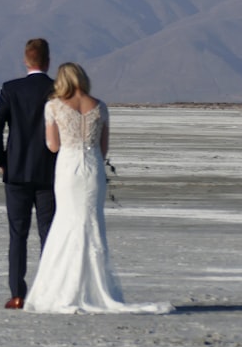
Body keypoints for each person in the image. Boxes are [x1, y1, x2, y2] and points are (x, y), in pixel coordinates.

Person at [24, 62, 172, 314]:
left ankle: (63, 288)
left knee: (67, 221)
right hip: (93, 169)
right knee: (91, 223)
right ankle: (93, 288)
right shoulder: (100, 106)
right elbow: (103, 148)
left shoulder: (54, 106)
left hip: (68, 169)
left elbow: (52, 145)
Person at [0, 38, 57, 310]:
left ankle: (17, 294)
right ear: (48, 61)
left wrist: (1, 161)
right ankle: (49, 290)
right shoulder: (56, 90)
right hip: (49, 173)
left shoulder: (11, 89)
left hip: (15, 173)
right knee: (48, 234)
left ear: (26, 61)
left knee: (18, 234)